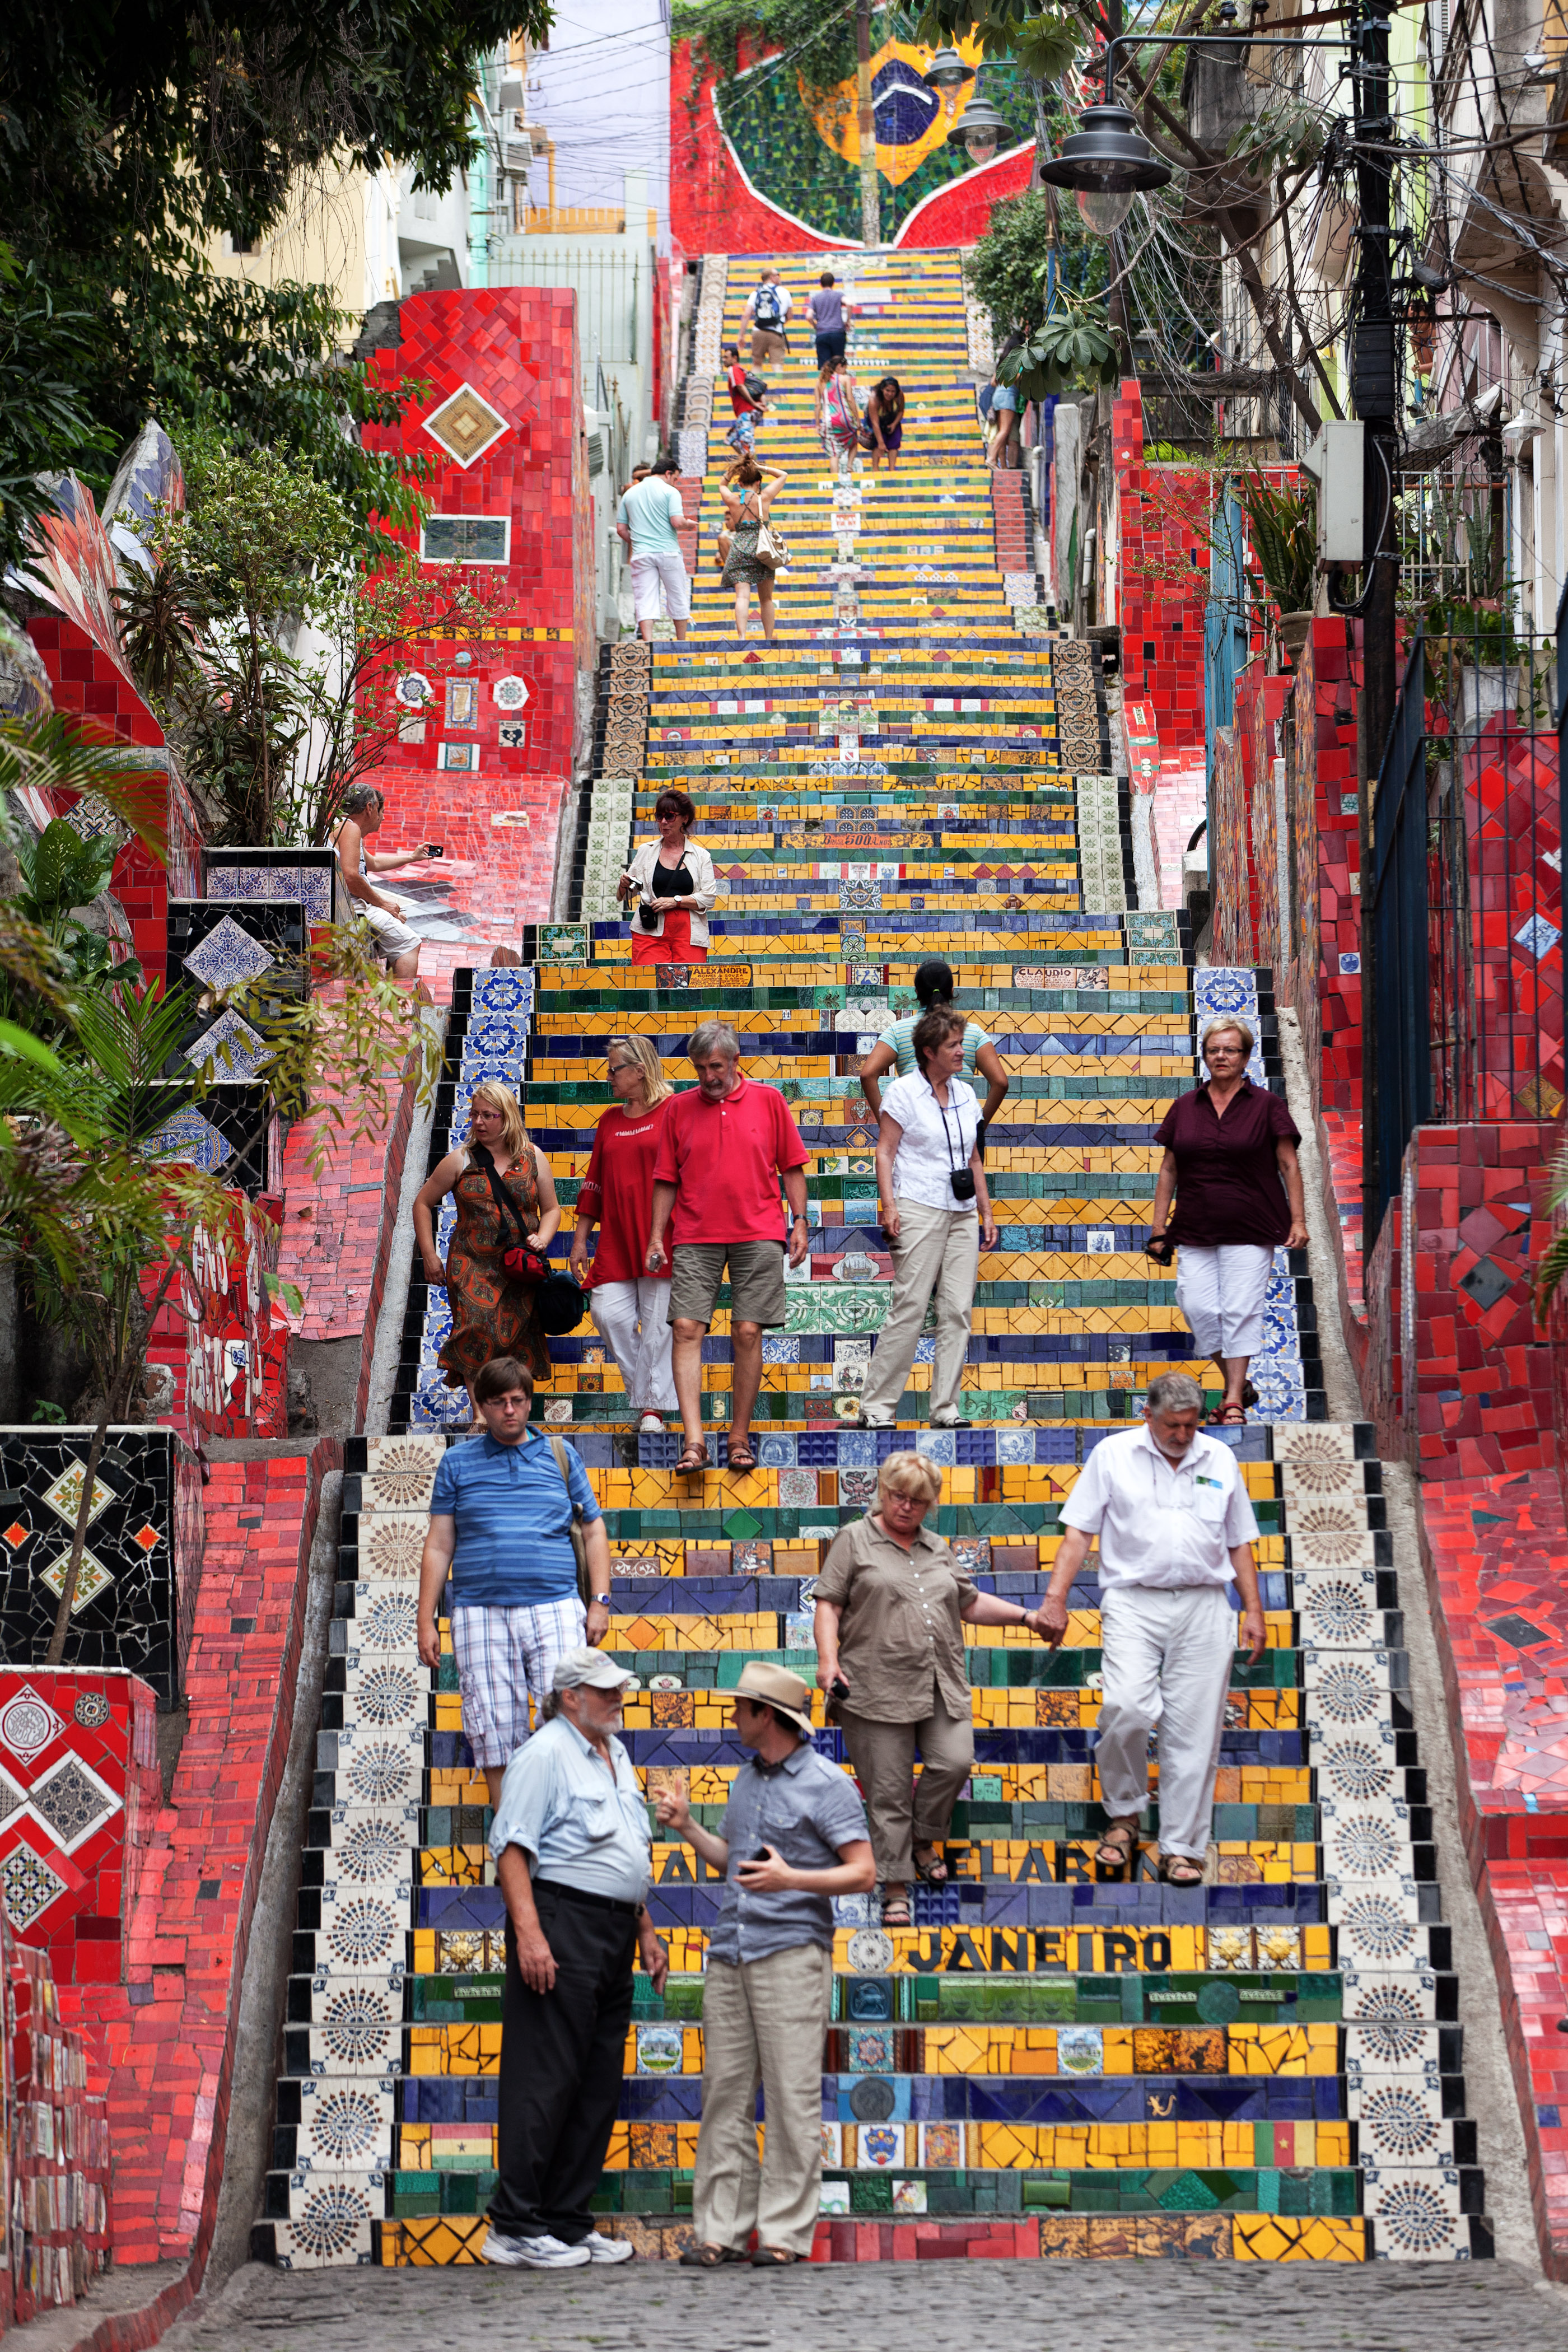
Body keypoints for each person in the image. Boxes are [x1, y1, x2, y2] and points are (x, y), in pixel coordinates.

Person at [655, 1662, 873, 2266]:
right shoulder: (744, 1781)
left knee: (789, 2097)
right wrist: (688, 1827)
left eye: (741, 1707)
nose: (733, 1715)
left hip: (791, 1955)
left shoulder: (827, 1783)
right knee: (723, 2094)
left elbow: (864, 1870)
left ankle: (781, 2236)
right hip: (730, 1952)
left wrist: (792, 1879)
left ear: (766, 1715)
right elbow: (734, 1862)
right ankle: (718, 2232)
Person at [483, 1648, 669, 2269]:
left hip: (614, 1931)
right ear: (571, 1697)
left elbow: (625, 1850)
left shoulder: (615, 1755)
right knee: (546, 2075)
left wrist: (644, 1928)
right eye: (605, 1689)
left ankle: (564, 2220)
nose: (618, 1697)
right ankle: (514, 2226)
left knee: (595, 2081)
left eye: (619, 1688)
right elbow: (511, 1850)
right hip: (562, 1923)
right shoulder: (544, 1754)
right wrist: (530, 1936)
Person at [1042, 1370, 1266, 1886]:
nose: (1184, 1436)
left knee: (1195, 1730)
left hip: (1206, 1603)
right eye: (1173, 1425)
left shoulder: (1220, 1459)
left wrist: (1253, 1610)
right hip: (1133, 1601)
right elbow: (1078, 1535)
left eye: (1191, 1426)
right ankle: (1123, 1815)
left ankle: (1182, 1848)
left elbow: (1239, 1542)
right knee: (1126, 1707)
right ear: (1148, 1415)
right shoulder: (1113, 1455)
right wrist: (1055, 1600)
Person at [814, 1455, 1048, 1927]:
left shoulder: (937, 1547)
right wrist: (827, 1661)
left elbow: (971, 1602)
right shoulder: (853, 1539)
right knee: (889, 1791)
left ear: (930, 1505)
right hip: (874, 1685)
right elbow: (828, 1604)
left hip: (939, 1680)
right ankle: (896, 1886)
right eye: (898, 1496)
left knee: (954, 1761)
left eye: (918, 1501)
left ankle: (922, 1838)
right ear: (882, 1491)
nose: (906, 1507)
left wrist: (1028, 1618)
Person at [417, 1360, 613, 1810]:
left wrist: (600, 1601)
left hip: (556, 1608)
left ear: (529, 1400)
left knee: (567, 1722)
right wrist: (426, 1617)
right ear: (481, 1406)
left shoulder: (560, 1455)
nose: (510, 1410)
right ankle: (514, 1836)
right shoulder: (456, 1462)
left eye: (518, 1401)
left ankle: (564, 1832)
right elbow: (439, 1545)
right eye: (498, 1403)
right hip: (477, 1612)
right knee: (493, 1730)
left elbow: (594, 1530)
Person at [646, 1019, 811, 1478]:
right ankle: (694, 1441)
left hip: (758, 1231)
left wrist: (799, 1221)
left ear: (736, 1062)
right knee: (684, 1327)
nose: (707, 1077)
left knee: (748, 1333)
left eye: (715, 1067)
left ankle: (738, 1437)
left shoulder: (770, 1100)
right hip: (695, 1234)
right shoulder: (678, 1109)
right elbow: (665, 1178)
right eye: (699, 1069)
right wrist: (658, 1235)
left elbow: (793, 1166)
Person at [1149, 1017, 1306, 1424]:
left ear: (1246, 1057)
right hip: (1195, 1227)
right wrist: (1158, 1228)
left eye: (1230, 1050)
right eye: (1214, 1050)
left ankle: (1233, 1399)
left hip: (1252, 1227)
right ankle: (1239, 1382)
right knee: (1196, 1305)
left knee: (1240, 1309)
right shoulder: (1186, 1106)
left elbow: (1288, 1164)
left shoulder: (1267, 1106)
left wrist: (1299, 1220)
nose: (1221, 1056)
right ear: (1205, 1055)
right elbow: (1169, 1169)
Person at [855, 1007, 996, 1431]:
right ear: (929, 1051)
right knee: (911, 1305)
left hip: (962, 1211)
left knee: (957, 1310)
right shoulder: (902, 1092)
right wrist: (890, 1206)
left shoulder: (968, 1095)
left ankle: (946, 1409)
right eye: (953, 1045)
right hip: (917, 1204)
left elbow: (972, 1157)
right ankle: (877, 1408)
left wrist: (986, 1213)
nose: (961, 1052)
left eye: (961, 1043)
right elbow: (885, 1151)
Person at [413, 1080, 561, 1415]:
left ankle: (510, 1413)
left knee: (516, 1339)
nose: (478, 1122)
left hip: (520, 1267)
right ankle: (480, 1415)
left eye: (488, 1115)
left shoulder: (533, 1158)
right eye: (474, 1114)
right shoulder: (460, 1160)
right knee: (475, 1330)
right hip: (470, 1265)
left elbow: (552, 1209)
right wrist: (429, 1255)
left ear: (506, 1117)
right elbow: (422, 1203)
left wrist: (544, 1238)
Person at [568, 1036, 678, 1435]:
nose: (608, 1075)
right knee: (607, 1313)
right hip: (617, 1237)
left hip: (661, 1236)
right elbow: (594, 1180)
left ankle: (651, 1411)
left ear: (640, 1071)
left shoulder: (674, 1111)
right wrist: (581, 1238)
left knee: (656, 1326)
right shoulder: (610, 1119)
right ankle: (647, 1396)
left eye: (614, 1069)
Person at [860, 956, 1009, 1143]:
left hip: (917, 1134)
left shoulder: (897, 1031)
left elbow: (867, 1075)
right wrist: (979, 1126)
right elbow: (1001, 1083)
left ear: (917, 993)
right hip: (962, 1132)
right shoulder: (973, 1033)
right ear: (952, 992)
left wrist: (887, 1126)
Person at [334, 783, 429, 979]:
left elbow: (374, 863)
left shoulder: (342, 826)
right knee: (409, 943)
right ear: (369, 808)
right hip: (353, 907)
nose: (383, 818)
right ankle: (400, 1007)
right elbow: (351, 876)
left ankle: (391, 993)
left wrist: (413, 857)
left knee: (399, 928)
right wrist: (383, 904)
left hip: (355, 904)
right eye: (381, 811)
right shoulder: (350, 828)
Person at [614, 788, 718, 967]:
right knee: (649, 987)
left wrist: (675, 901)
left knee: (688, 988)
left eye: (670, 816)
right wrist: (624, 885)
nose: (663, 822)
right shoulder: (646, 851)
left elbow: (709, 898)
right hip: (650, 931)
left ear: (684, 818)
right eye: (659, 816)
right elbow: (625, 896)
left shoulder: (701, 856)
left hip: (689, 933)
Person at [615, 455, 690, 644]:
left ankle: (648, 643)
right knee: (678, 595)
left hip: (641, 554)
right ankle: (682, 642)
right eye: (675, 478)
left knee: (645, 598)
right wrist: (689, 525)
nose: (675, 482)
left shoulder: (630, 493)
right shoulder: (670, 492)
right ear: (668, 473)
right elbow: (677, 521)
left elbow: (621, 530)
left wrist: (639, 541)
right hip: (668, 552)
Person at [719, 457, 787, 644]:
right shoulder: (764, 497)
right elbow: (783, 475)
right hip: (762, 548)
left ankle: (742, 637)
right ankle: (767, 638)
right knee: (766, 599)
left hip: (740, 546)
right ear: (759, 482)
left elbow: (722, 484)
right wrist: (760, 467)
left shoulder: (732, 500)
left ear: (740, 484)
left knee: (742, 596)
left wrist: (734, 470)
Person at [816, 352, 862, 473]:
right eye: (845, 368)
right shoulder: (845, 379)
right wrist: (857, 420)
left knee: (834, 454)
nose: (845, 371)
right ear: (840, 366)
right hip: (844, 418)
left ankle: (834, 480)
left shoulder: (821, 381)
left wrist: (817, 424)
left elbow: (817, 405)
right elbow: (851, 400)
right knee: (854, 440)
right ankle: (849, 466)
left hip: (828, 420)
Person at [722, 343, 767, 457]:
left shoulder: (733, 369)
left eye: (726, 357)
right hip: (751, 412)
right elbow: (761, 391)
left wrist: (754, 404)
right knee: (730, 439)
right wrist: (761, 406)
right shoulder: (744, 371)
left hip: (747, 412)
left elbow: (740, 386)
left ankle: (751, 469)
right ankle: (746, 462)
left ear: (735, 358)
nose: (724, 360)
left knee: (747, 444)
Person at [742, 268, 792, 364]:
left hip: (758, 331)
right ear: (772, 277)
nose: (780, 277)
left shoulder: (756, 293)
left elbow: (746, 315)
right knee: (777, 365)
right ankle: (777, 379)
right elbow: (790, 316)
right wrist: (777, 322)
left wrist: (741, 335)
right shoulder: (785, 292)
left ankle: (756, 380)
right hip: (776, 332)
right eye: (778, 275)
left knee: (757, 364)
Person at [858, 375, 905, 470]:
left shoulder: (900, 395)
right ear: (882, 389)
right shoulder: (874, 399)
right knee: (877, 444)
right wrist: (881, 443)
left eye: (893, 392)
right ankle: (876, 469)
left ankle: (892, 470)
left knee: (894, 444)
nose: (890, 394)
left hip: (892, 420)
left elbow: (900, 411)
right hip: (876, 422)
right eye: (887, 391)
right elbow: (875, 423)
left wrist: (894, 424)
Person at [807, 270, 847, 368]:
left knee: (825, 366)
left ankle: (826, 383)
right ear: (833, 283)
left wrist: (815, 326)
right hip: (837, 333)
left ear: (820, 284)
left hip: (822, 333)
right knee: (839, 363)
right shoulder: (839, 295)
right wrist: (847, 321)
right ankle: (839, 383)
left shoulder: (816, 298)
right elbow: (849, 303)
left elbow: (808, 316)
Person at [987, 372, 1019, 468]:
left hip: (998, 395)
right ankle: (992, 459)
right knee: (1005, 431)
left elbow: (993, 382)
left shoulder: (1004, 366)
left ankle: (1002, 465)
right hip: (1007, 398)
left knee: (1002, 432)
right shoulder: (1018, 368)